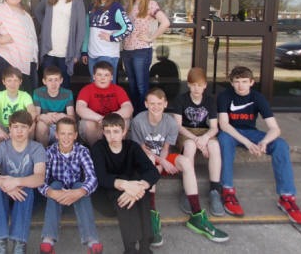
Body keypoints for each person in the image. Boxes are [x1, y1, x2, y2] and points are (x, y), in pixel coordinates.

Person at [131, 88, 229, 245]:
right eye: (152, 103)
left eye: (159, 103)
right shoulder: (138, 121)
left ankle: (196, 215)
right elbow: (142, 149)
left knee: (186, 162)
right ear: (146, 104)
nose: (156, 107)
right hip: (145, 160)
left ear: (165, 104)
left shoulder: (170, 122)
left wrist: (163, 162)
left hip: (162, 158)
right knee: (149, 159)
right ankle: (151, 215)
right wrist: (160, 164)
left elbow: (166, 148)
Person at [217, 66, 301, 224]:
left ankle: (286, 197)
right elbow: (224, 125)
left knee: (280, 145)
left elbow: (275, 129)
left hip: (251, 132)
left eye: (244, 81)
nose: (241, 85)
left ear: (251, 82)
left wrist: (264, 141)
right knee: (223, 139)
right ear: (231, 83)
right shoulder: (224, 96)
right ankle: (227, 191)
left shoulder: (258, 97)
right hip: (231, 133)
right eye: (237, 82)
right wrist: (247, 143)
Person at [91, 113, 159, 254]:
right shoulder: (98, 148)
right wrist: (127, 186)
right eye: (108, 132)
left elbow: (152, 171)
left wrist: (139, 187)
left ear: (124, 132)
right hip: (105, 199)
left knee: (141, 191)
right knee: (124, 192)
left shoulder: (132, 147)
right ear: (103, 132)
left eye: (116, 131)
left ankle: (145, 247)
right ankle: (130, 249)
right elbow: (101, 177)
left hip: (131, 194)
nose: (112, 136)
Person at [0, 110, 46, 254]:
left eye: (23, 127)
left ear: (30, 129)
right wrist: (5, 184)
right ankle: (0, 241)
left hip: (29, 200)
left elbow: (39, 177)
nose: (19, 131)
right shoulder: (2, 147)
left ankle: (19, 242)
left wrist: (15, 182)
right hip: (6, 198)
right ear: (9, 129)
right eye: (15, 127)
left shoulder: (37, 148)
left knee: (27, 186)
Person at [38, 117, 102, 254]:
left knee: (80, 185)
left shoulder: (82, 151)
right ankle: (48, 240)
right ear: (56, 135)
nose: (66, 138)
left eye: (70, 134)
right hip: (57, 197)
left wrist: (80, 192)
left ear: (75, 135)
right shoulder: (49, 152)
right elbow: (40, 180)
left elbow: (92, 178)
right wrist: (51, 192)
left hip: (77, 196)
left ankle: (92, 241)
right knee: (54, 184)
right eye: (62, 133)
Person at [171, 67, 224, 217]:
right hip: (186, 132)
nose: (196, 88)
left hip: (204, 132)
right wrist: (196, 140)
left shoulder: (209, 100)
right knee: (189, 146)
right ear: (188, 84)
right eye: (193, 85)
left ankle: (214, 190)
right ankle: (187, 189)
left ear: (205, 85)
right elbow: (178, 126)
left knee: (214, 145)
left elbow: (214, 127)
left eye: (200, 85)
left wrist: (204, 139)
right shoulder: (181, 99)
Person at [122, 0, 170, 113]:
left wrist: (151, 38)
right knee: (132, 85)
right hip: (127, 50)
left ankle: (143, 116)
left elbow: (165, 22)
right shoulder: (127, 6)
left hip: (141, 51)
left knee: (141, 86)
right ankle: (135, 115)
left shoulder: (150, 4)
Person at [34, 0, 86, 88]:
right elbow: (38, 11)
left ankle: (64, 102)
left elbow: (81, 30)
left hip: (66, 52)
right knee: (48, 84)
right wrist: (46, 25)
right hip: (49, 50)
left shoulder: (77, 1)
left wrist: (76, 53)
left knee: (64, 84)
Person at [81, 0, 133, 83]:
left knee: (108, 86)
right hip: (92, 55)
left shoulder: (116, 7)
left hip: (108, 55)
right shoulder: (92, 7)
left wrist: (112, 37)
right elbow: (87, 31)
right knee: (95, 85)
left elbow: (128, 27)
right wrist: (84, 51)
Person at [76, 61, 133, 146]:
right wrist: (99, 118)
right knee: (89, 123)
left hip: (113, 122)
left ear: (111, 77)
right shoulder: (87, 89)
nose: (103, 78)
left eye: (106, 75)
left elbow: (128, 108)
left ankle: (118, 149)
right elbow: (80, 108)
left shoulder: (118, 89)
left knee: (124, 121)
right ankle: (96, 149)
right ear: (94, 76)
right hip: (96, 124)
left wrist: (111, 118)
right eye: (99, 75)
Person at [0, 66, 37, 142]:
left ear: (20, 82)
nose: (12, 84)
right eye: (9, 80)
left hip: (19, 126)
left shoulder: (25, 95)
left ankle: (27, 146)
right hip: (3, 127)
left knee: (33, 124)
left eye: (16, 80)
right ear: (4, 82)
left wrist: (16, 129)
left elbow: (32, 112)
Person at [34, 65, 75, 148]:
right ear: (44, 81)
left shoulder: (67, 93)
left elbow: (72, 118)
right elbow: (35, 117)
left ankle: (62, 152)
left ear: (61, 80)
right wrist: (42, 117)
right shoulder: (38, 92)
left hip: (61, 125)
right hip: (46, 126)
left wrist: (64, 116)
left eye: (56, 80)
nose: (53, 84)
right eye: (50, 80)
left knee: (68, 126)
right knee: (40, 124)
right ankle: (43, 152)